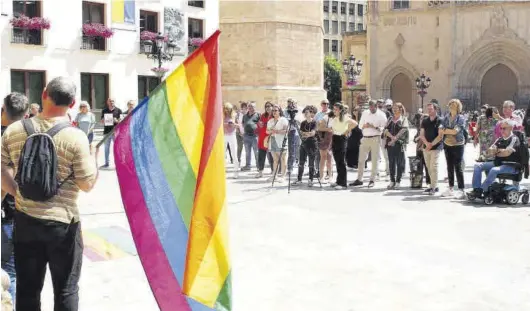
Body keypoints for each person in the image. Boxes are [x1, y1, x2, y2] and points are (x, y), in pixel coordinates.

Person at [1, 77, 99, 311]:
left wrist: (17, 193)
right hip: (63, 226)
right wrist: (94, 159)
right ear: (73, 103)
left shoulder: (15, 130)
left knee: (27, 288)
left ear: (44, 94)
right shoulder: (76, 137)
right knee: (66, 289)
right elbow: (86, 184)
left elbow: (2, 169)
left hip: (25, 222)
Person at [1, 92, 29, 304]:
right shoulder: (31, 137)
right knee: (13, 270)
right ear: (26, 113)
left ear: (3, 112)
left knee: (9, 270)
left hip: (8, 212)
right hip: (23, 212)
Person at [468, 119, 520, 197]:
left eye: (504, 128)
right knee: (477, 166)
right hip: (497, 163)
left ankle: (482, 189)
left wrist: (496, 151)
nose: (502, 130)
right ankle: (476, 189)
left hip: (511, 165)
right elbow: (489, 151)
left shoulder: (514, 139)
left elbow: (506, 153)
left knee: (493, 170)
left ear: (511, 128)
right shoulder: (499, 139)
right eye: (501, 128)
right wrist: (499, 151)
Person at [350, 100, 388, 188]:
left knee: (375, 160)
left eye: (372, 107)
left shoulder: (381, 115)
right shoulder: (365, 113)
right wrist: (364, 126)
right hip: (365, 138)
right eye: (370, 107)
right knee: (361, 160)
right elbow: (360, 126)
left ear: (376, 106)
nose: (371, 109)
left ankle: (372, 180)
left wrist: (373, 126)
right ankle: (359, 179)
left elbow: (384, 129)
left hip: (376, 138)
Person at [440, 99, 466, 199]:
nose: (451, 106)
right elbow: (441, 127)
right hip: (447, 144)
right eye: (450, 104)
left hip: (458, 144)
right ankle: (450, 188)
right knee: (449, 166)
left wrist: (445, 131)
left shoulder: (461, 118)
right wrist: (445, 130)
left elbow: (455, 131)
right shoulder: (446, 117)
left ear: (458, 107)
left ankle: (461, 190)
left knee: (458, 167)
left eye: (454, 105)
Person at [329, 103, 357, 190]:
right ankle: (338, 181)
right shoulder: (335, 118)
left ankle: (343, 183)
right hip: (335, 138)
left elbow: (355, 123)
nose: (334, 111)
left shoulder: (345, 117)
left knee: (341, 161)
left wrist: (347, 131)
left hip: (341, 138)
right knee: (337, 161)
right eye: (334, 109)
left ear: (340, 110)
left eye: (336, 109)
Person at [383, 102, 409, 189]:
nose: (394, 109)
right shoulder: (390, 118)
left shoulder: (404, 119)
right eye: (393, 108)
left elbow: (404, 130)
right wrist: (391, 138)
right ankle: (392, 181)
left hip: (399, 144)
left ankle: (398, 181)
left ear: (400, 109)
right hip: (390, 144)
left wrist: (394, 139)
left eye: (396, 108)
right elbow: (385, 130)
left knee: (399, 163)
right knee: (391, 163)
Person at [419, 102, 443, 195]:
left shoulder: (440, 120)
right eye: (428, 109)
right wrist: (426, 144)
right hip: (426, 148)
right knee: (429, 167)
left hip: (436, 147)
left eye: (431, 109)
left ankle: (433, 187)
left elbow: (440, 136)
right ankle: (434, 186)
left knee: (434, 166)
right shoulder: (425, 121)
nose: (429, 111)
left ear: (436, 109)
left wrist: (431, 145)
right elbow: (421, 134)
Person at [292, 105, 318, 187]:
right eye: (304, 113)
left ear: (311, 113)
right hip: (303, 144)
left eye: (307, 112)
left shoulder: (314, 122)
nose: (305, 114)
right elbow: (301, 133)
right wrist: (307, 134)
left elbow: (313, 133)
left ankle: (310, 179)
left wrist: (307, 134)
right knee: (301, 162)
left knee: (311, 163)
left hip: (312, 144)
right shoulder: (303, 123)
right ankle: (299, 179)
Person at [266, 105, 289, 182]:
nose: (274, 112)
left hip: (281, 141)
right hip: (272, 140)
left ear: (279, 111)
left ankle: (283, 176)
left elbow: (286, 131)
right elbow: (267, 131)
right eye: (273, 111)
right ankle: (274, 175)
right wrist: (271, 131)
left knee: (283, 159)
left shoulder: (283, 120)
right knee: (275, 159)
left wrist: (276, 131)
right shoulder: (270, 121)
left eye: (276, 110)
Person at [100, 98, 122, 168]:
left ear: (114, 102)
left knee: (117, 148)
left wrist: (117, 121)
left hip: (115, 132)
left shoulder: (119, 110)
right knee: (106, 148)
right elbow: (101, 121)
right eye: (110, 101)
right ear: (107, 102)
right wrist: (103, 120)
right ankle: (106, 163)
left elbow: (121, 121)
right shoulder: (104, 110)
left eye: (113, 101)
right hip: (106, 132)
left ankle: (118, 163)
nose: (111, 102)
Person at [255, 102, 274, 178]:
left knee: (272, 156)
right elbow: (259, 125)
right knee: (261, 156)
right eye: (266, 106)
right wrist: (259, 124)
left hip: (271, 138)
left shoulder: (274, 116)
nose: (267, 108)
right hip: (262, 138)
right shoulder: (263, 115)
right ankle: (260, 171)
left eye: (269, 106)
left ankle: (273, 171)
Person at [241, 102, 260, 171]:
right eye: (249, 106)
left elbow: (261, 124)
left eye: (252, 106)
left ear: (255, 107)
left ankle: (258, 166)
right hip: (246, 136)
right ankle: (248, 166)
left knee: (256, 152)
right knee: (247, 152)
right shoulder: (245, 116)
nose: (250, 108)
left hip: (255, 136)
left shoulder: (258, 115)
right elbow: (243, 124)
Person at [223, 102, 239, 179]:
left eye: (228, 109)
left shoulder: (234, 115)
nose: (227, 110)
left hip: (232, 135)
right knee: (223, 154)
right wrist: (225, 124)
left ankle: (236, 171)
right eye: (226, 108)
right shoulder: (222, 115)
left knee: (234, 153)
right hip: (224, 135)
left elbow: (239, 125)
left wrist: (233, 124)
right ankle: (223, 171)